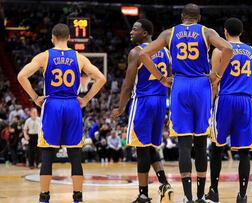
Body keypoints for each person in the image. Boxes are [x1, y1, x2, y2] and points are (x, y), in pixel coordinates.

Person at [139, 4, 233, 203]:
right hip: (201, 85)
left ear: (183, 16)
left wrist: (161, 78)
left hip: (180, 85)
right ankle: (200, 196)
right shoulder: (207, 32)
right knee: (200, 142)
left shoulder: (168, 33)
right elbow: (228, 48)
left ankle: (187, 197)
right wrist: (217, 75)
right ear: (198, 17)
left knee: (183, 143)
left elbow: (143, 54)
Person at [17, 23, 106, 203]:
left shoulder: (45, 56)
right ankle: (77, 197)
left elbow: (21, 76)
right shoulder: (79, 58)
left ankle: (44, 197)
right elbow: (102, 78)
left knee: (48, 154)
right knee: (75, 155)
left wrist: (35, 97)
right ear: (69, 38)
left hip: (53, 104)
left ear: (52, 37)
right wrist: (86, 98)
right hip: (73, 105)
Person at [111, 19, 173, 203]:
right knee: (149, 146)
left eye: (135, 29)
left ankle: (143, 194)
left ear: (145, 33)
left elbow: (128, 85)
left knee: (141, 150)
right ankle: (164, 184)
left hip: (144, 101)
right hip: (161, 102)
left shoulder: (137, 52)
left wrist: (121, 107)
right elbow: (169, 79)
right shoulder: (166, 52)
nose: (131, 32)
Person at [204, 17, 252, 203]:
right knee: (244, 151)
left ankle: (213, 192)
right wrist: (249, 107)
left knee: (217, 148)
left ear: (225, 32)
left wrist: (209, 106)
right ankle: (243, 196)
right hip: (245, 100)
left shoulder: (220, 50)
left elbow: (214, 82)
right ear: (241, 32)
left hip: (225, 99)